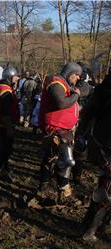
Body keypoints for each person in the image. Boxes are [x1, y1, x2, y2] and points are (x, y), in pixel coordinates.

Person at [38, 62, 82, 198]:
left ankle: (49, 185)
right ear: (69, 73)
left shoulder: (65, 84)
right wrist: (76, 96)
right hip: (55, 129)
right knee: (65, 160)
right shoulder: (56, 83)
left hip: (64, 129)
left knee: (54, 158)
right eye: (76, 75)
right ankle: (60, 188)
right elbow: (61, 103)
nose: (78, 78)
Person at [77, 68, 111, 241]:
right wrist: (83, 138)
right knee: (105, 191)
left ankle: (100, 226)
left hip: (101, 145)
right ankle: (89, 230)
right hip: (105, 148)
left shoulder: (102, 89)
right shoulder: (104, 90)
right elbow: (88, 115)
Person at [0, 64, 20, 181]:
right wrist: (9, 128)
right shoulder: (5, 91)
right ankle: (3, 170)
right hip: (3, 125)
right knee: (5, 149)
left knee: (1, 146)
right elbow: (5, 112)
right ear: (10, 77)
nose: (17, 79)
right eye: (16, 77)